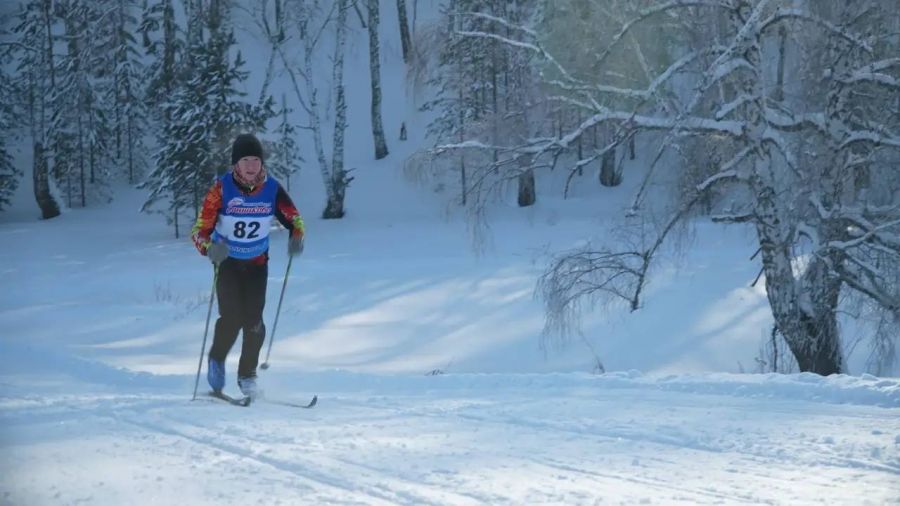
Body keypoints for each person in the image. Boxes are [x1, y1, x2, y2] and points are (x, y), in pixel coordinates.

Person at [191, 133, 305, 398]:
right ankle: (217, 360)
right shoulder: (221, 190)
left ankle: (247, 375)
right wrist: (209, 248)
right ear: (236, 164)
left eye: (256, 160)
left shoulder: (272, 189)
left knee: (254, 322)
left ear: (262, 163)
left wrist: (297, 237)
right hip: (228, 264)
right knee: (231, 319)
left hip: (257, 264)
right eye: (245, 160)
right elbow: (199, 231)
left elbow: (295, 220)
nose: (251, 165)